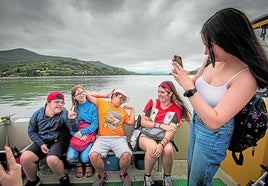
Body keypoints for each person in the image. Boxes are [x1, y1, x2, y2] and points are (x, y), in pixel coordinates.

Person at [171, 8, 268, 186]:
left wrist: (188, 87)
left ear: (230, 41)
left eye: (210, 46)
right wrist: (184, 77)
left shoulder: (246, 77)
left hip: (213, 134)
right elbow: (195, 83)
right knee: (191, 172)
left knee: (198, 182)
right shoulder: (210, 60)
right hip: (196, 122)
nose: (205, 52)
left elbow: (215, 121)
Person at [20, 91, 79, 186]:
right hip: (42, 141)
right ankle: (33, 180)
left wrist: (72, 119)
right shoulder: (37, 114)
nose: (60, 105)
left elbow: (75, 129)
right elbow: (32, 131)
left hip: (60, 140)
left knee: (51, 159)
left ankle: (63, 179)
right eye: (57, 102)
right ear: (48, 102)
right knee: (25, 157)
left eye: (62, 102)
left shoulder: (64, 113)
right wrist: (40, 143)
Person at [139, 81, 191, 186]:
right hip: (147, 135)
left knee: (168, 150)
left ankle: (167, 177)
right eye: (158, 92)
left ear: (170, 93)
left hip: (164, 137)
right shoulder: (152, 103)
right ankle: (147, 177)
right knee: (153, 148)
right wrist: (160, 125)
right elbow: (143, 122)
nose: (159, 94)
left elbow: (171, 130)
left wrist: (162, 144)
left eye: (162, 92)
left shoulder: (176, 108)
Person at [86, 89, 135, 186]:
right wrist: (104, 95)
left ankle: (123, 174)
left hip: (119, 138)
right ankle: (102, 175)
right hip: (102, 138)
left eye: (123, 100)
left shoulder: (123, 112)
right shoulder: (102, 103)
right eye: (120, 98)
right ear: (113, 96)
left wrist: (132, 109)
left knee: (127, 155)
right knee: (93, 156)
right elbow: (88, 95)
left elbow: (131, 122)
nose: (122, 101)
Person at [66, 85, 98, 178]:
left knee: (85, 158)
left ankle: (87, 164)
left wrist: (83, 132)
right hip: (76, 136)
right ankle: (78, 165)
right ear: (74, 97)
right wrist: (76, 134)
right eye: (78, 94)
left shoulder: (93, 107)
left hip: (89, 134)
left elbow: (95, 125)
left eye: (82, 92)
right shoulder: (73, 108)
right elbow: (69, 126)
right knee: (70, 158)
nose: (81, 95)